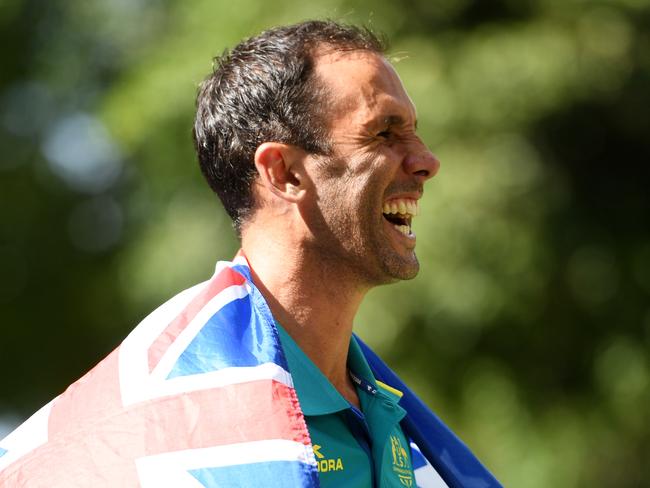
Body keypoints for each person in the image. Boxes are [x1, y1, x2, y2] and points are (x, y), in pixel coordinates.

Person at [0, 20, 501, 487]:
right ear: (283, 174)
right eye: (384, 133)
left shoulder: (392, 416)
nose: (426, 161)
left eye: (414, 131)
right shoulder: (158, 426)